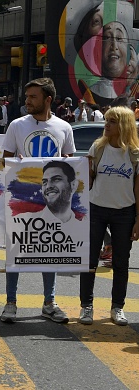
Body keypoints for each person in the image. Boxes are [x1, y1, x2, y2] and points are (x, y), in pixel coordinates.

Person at [1, 77, 75, 324]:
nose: (27, 101)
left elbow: (70, 163)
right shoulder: (16, 125)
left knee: (50, 249)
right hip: (23, 198)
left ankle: (49, 303)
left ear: (48, 99)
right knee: (17, 248)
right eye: (27, 96)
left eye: (33, 97)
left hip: (52, 201)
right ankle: (10, 303)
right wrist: (17, 165)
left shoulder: (64, 127)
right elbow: (4, 162)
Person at [80, 106, 139, 326]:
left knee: (121, 263)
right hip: (96, 209)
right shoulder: (98, 148)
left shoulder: (134, 153)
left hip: (125, 213)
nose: (106, 125)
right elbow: (89, 180)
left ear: (123, 125)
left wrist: (138, 219)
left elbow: (137, 188)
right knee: (90, 261)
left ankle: (117, 307)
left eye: (112, 121)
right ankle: (86, 306)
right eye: (106, 120)